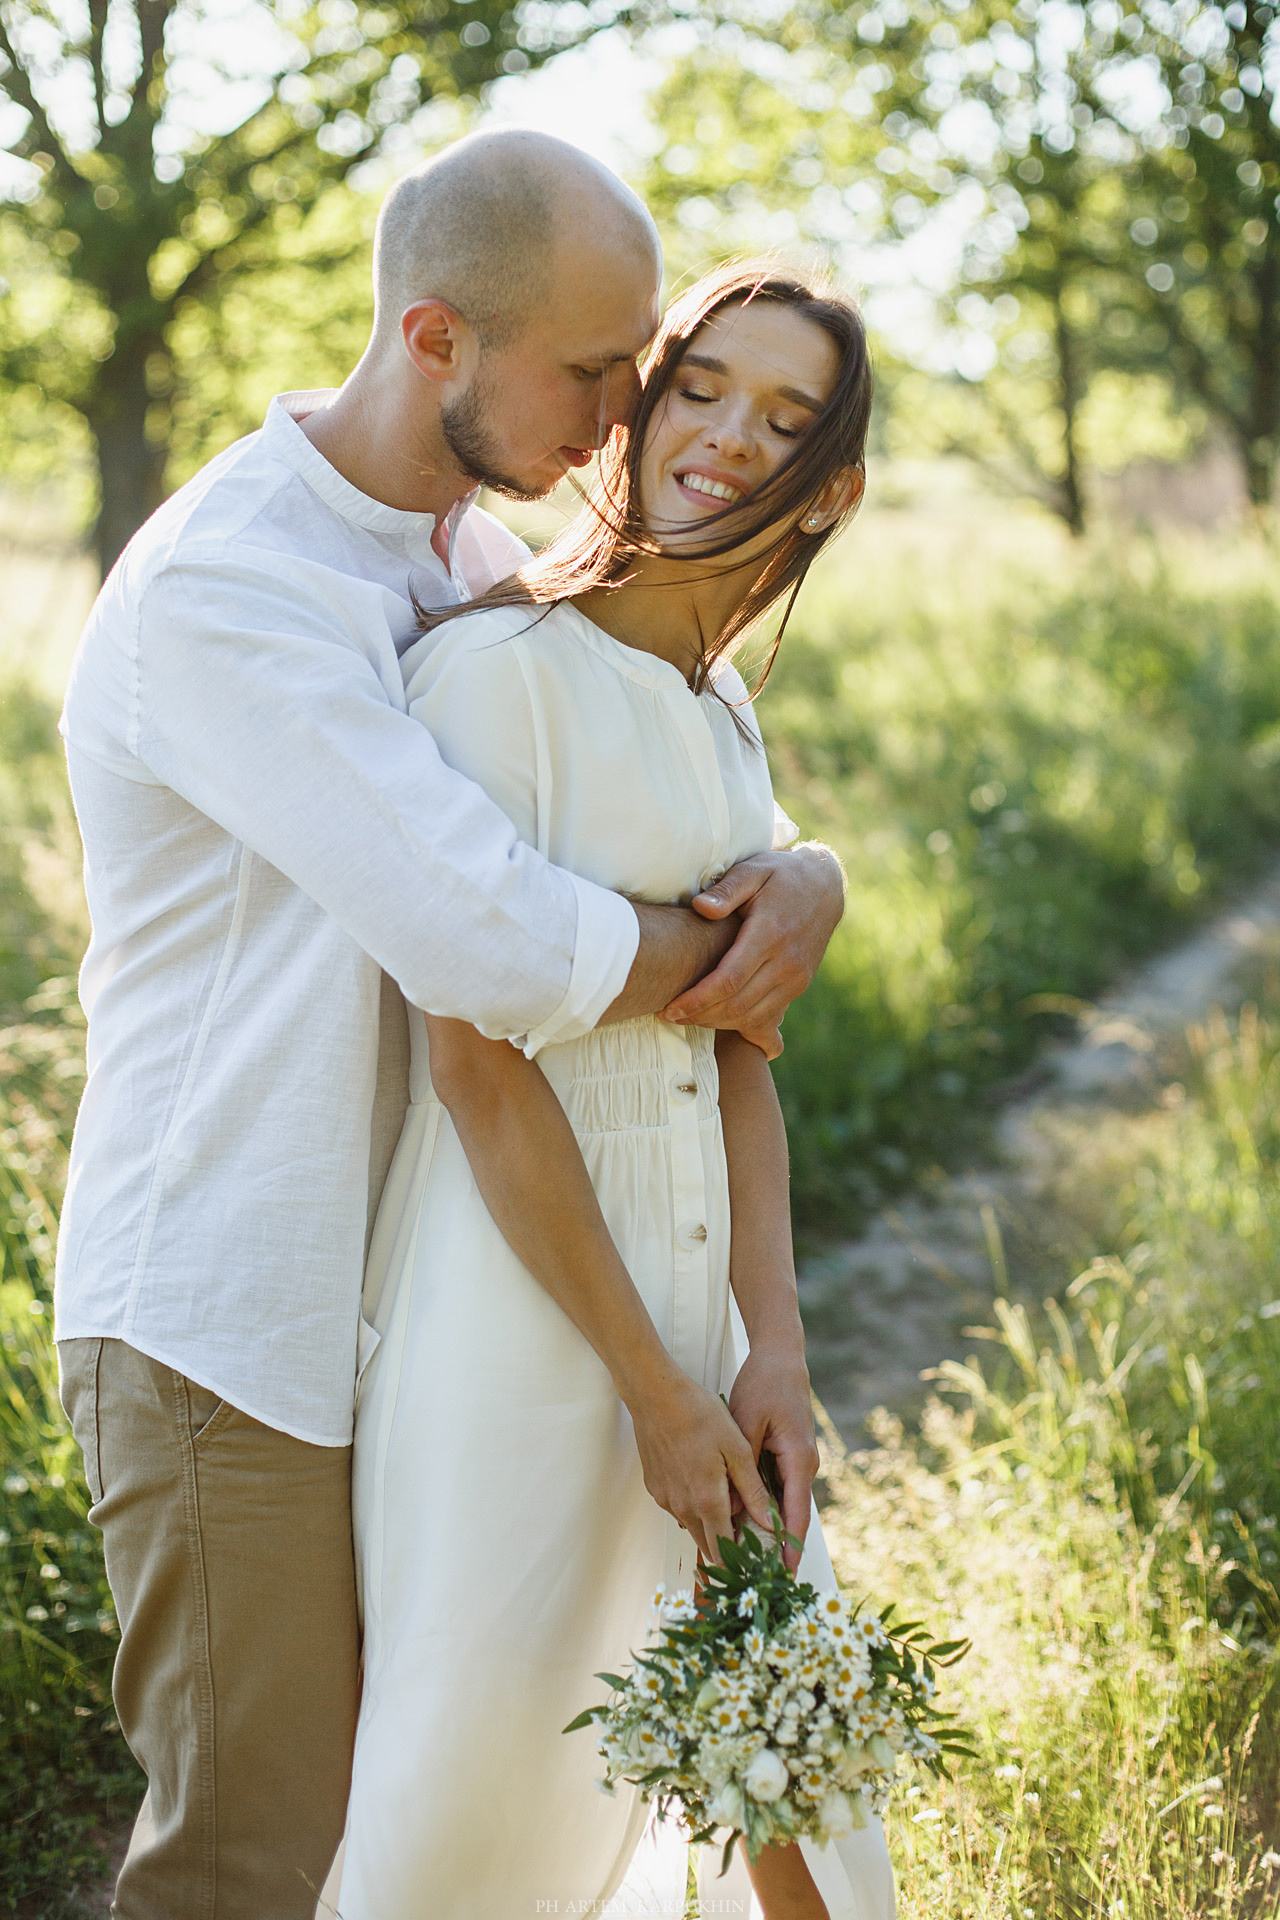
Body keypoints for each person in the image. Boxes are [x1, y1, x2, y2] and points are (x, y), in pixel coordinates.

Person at [53, 136, 848, 1919]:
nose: (628, 409)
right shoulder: (233, 590)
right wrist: (744, 928)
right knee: (254, 1859)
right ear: (433, 335)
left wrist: (807, 869)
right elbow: (487, 938)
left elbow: (647, 748)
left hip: (406, 1303)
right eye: (594, 369)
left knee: (403, 1830)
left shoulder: (463, 546)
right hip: (229, 1316)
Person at [330, 261, 895, 1920]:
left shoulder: (724, 720)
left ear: (831, 485)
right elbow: (475, 1078)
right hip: (517, 1312)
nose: (727, 438)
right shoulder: (495, 680)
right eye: (703, 386)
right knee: (485, 1783)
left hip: (697, 1304)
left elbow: (738, 1054)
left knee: (789, 1752)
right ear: (642, 395)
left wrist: (764, 1348)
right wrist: (651, 1387)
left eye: (785, 420)